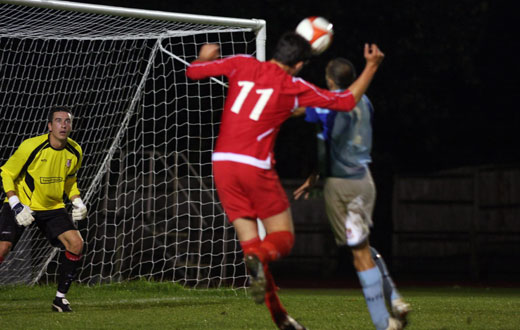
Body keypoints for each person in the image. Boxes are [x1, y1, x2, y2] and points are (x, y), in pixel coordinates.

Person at [186, 32, 384, 329]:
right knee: (282, 239)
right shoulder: (293, 86)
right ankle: (257, 258)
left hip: (222, 164)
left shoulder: (242, 63)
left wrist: (204, 58)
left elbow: (193, 71)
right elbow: (345, 101)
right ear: (300, 63)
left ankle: (281, 318)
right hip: (254, 166)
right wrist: (371, 66)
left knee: (251, 244)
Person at [293, 58, 410, 330]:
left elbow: (299, 112)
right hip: (365, 180)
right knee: (363, 247)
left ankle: (384, 322)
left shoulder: (329, 102)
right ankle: (395, 299)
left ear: (331, 80)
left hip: (341, 185)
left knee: (358, 252)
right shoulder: (365, 101)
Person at [0, 107, 87, 312]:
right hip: (23, 203)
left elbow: (70, 181)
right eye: (58, 121)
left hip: (52, 207)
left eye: (67, 121)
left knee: (76, 243)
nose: (63, 125)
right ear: (50, 126)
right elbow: (6, 173)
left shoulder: (75, 151)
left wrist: (77, 201)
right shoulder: (31, 146)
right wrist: (15, 203)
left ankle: (60, 299)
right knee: (3, 248)